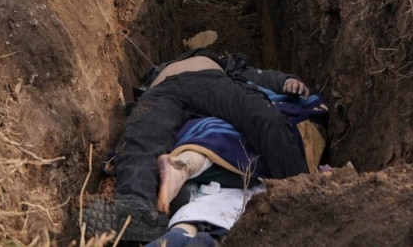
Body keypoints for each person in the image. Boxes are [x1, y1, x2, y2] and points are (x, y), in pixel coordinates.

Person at [82, 49, 311, 242]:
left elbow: (259, 76)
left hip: (209, 81)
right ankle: (135, 214)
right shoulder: (156, 72)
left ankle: (302, 193)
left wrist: (285, 81)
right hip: (162, 92)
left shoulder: (221, 61)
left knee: (265, 118)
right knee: (140, 139)